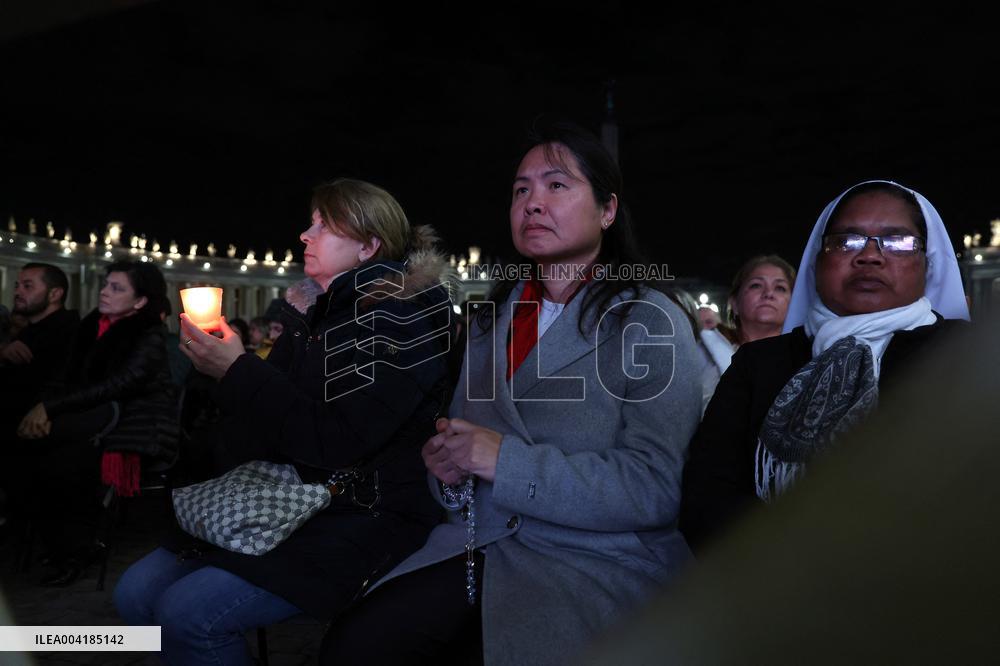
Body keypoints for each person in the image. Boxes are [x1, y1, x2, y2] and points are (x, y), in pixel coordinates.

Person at [321, 121, 703, 665]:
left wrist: (506, 460)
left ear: (608, 210)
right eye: (521, 189)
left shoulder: (648, 321)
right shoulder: (490, 320)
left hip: (595, 562)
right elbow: (461, 450)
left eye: (556, 185)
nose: (533, 203)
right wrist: (448, 472)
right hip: (484, 547)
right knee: (352, 643)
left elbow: (654, 489)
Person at [114, 179, 451, 666]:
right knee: (135, 593)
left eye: (323, 224)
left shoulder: (402, 317)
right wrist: (222, 373)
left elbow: (336, 439)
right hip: (284, 498)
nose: (304, 235)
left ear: (368, 245)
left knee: (188, 615)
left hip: (362, 512)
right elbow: (267, 420)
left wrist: (236, 370)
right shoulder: (310, 313)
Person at [679, 180, 970, 553]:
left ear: (927, 263)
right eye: (846, 241)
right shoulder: (760, 365)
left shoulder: (962, 355)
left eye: (897, 242)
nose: (870, 255)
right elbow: (708, 495)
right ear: (817, 262)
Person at [12, 260, 178, 585]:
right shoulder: (92, 325)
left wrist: (50, 409)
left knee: (61, 455)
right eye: (106, 284)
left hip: (135, 424)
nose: (105, 291)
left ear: (141, 300)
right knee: (37, 445)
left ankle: (74, 549)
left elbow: (119, 385)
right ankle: (62, 543)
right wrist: (43, 408)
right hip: (95, 414)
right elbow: (66, 378)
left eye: (117, 288)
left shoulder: (150, 333)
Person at [0, 263, 79, 439]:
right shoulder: (31, 330)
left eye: (27, 286)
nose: (17, 292)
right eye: (17, 286)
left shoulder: (69, 333)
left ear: (55, 294)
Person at [700, 255, 795, 376]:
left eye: (780, 288)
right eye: (756, 285)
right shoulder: (702, 351)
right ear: (734, 303)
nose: (768, 293)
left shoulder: (809, 359)